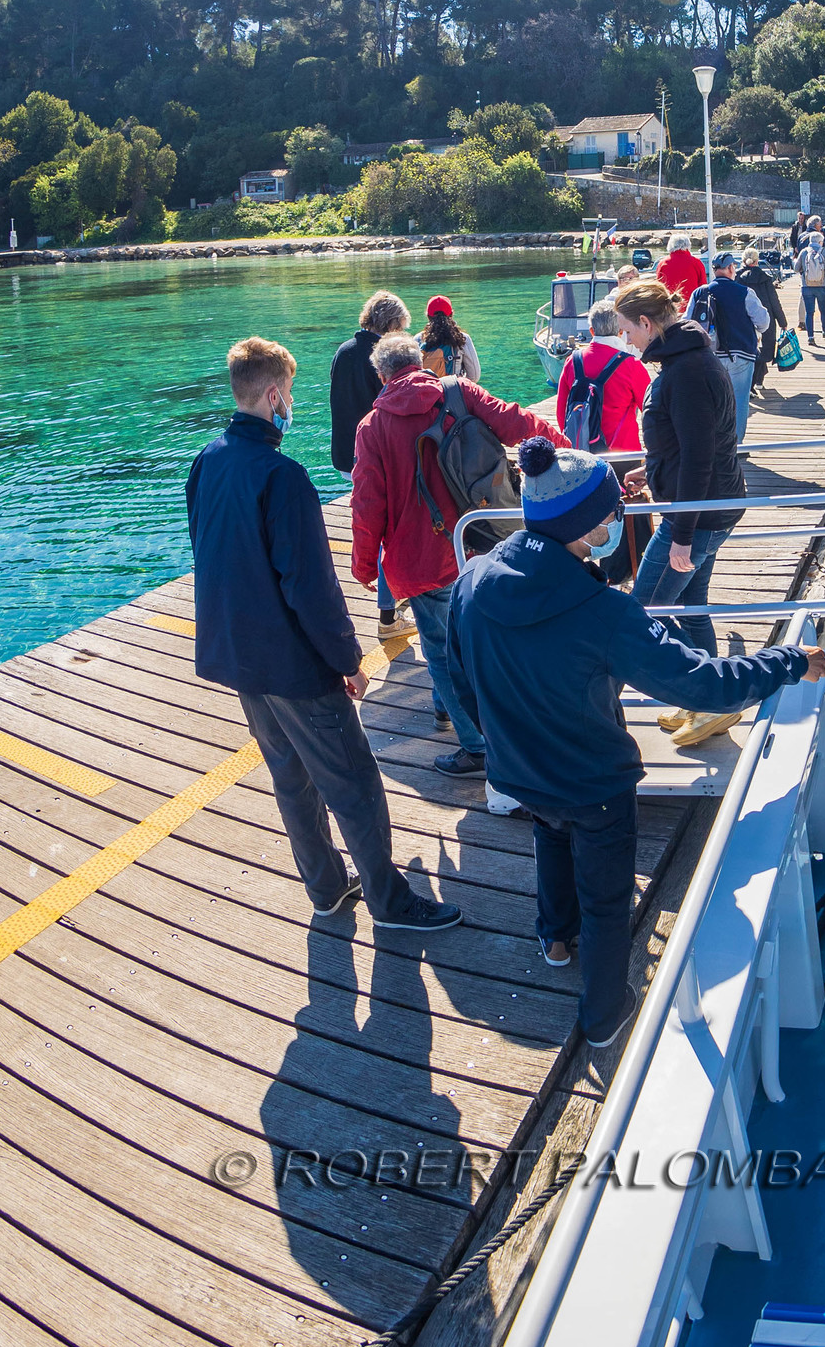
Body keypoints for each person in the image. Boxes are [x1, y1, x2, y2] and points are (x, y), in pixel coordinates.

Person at [446, 436, 823, 1047]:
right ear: (586, 524)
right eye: (611, 512)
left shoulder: (473, 580)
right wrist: (785, 662)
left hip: (517, 770)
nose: (619, 520)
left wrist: (500, 743)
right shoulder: (603, 612)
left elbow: (461, 678)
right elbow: (703, 684)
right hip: (594, 781)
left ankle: (553, 937)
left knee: (549, 832)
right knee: (607, 900)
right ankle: (602, 1016)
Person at [188, 336, 460, 933]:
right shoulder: (283, 477)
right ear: (275, 393)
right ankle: (390, 903)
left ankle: (326, 888)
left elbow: (207, 549)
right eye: (290, 392)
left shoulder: (208, 459)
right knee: (355, 782)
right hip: (294, 662)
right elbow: (311, 588)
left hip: (238, 656)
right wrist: (348, 658)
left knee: (291, 777)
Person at [350, 330, 556, 778]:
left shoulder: (372, 427)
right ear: (421, 361)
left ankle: (476, 746)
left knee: (440, 649)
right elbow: (517, 421)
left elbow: (368, 505)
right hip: (483, 537)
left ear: (381, 375)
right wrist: (562, 445)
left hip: (422, 558)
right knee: (487, 635)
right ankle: (454, 709)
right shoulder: (457, 391)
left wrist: (365, 565)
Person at [616, 275, 747, 684]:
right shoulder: (687, 356)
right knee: (692, 607)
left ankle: (704, 684)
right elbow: (685, 445)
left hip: (696, 515)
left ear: (646, 323)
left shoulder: (686, 370)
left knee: (642, 612)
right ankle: (713, 696)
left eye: (627, 330)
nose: (626, 340)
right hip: (711, 505)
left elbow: (698, 458)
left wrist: (683, 535)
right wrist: (651, 471)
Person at [330, 289, 411, 637]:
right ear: (392, 324)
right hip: (376, 455)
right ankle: (388, 616)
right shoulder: (381, 357)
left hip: (346, 455)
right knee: (388, 530)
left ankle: (392, 598)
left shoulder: (343, 351)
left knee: (372, 522)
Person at [686, 251, 771, 436]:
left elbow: (687, 322)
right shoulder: (745, 293)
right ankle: (736, 445)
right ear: (732, 268)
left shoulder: (699, 293)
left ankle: (714, 443)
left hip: (708, 356)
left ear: (714, 270)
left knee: (712, 401)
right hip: (740, 354)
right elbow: (763, 322)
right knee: (739, 401)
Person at [555, 299, 651, 453]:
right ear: (621, 331)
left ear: (592, 331)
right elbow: (651, 411)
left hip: (583, 454)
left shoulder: (572, 362)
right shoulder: (632, 365)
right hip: (624, 454)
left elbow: (562, 413)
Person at [738, 246, 789, 392]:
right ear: (756, 261)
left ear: (743, 260)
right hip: (766, 320)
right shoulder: (765, 278)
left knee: (750, 351)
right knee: (764, 351)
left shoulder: (738, 278)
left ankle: (752, 383)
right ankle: (758, 381)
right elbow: (774, 301)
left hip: (745, 320)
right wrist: (782, 322)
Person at [420, 296, 480, 382]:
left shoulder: (418, 339)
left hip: (426, 393)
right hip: (452, 392)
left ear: (428, 316)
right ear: (451, 314)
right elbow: (474, 376)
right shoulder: (462, 339)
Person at [796, 221, 825, 345]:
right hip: (822, 285)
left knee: (809, 312)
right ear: (820, 241)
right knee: (823, 310)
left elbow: (796, 268)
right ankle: (824, 330)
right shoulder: (824, 251)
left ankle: (811, 337)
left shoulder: (803, 252)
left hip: (807, 286)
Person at [658, 230, 707, 310]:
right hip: (692, 307)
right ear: (688, 245)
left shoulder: (663, 264)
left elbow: (659, 288)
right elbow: (703, 287)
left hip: (670, 308)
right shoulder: (696, 262)